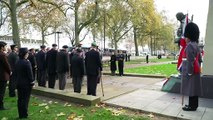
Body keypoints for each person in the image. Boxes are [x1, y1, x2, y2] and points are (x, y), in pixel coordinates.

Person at [181, 22, 203, 111]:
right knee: (195, 89)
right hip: (196, 70)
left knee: (191, 89)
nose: (185, 38)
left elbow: (190, 60)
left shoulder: (189, 46)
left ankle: (191, 106)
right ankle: (194, 105)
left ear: (189, 36)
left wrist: (189, 72)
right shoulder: (196, 45)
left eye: (185, 37)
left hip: (191, 71)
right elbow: (200, 59)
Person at [15, 48, 34, 119]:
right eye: (27, 53)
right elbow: (30, 74)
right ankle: (24, 114)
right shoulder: (27, 62)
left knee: (20, 99)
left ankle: (21, 114)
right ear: (25, 54)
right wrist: (32, 82)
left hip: (19, 83)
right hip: (26, 84)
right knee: (25, 99)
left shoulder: (17, 61)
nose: (28, 54)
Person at [0, 41, 11, 110]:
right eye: (5, 46)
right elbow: (6, 65)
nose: (6, 48)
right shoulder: (2, 54)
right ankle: (1, 106)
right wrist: (10, 71)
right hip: (2, 76)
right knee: (1, 92)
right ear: (2, 47)